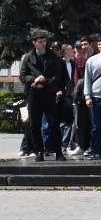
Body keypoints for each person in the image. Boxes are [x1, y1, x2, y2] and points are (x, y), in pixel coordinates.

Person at [20, 30, 65, 161]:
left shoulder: (52, 57)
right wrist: (34, 80)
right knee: (35, 124)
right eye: (40, 41)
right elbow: (23, 76)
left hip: (48, 93)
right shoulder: (28, 57)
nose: (43, 44)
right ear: (34, 43)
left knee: (54, 123)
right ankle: (38, 151)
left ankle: (58, 152)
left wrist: (44, 82)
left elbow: (57, 76)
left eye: (44, 41)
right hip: (33, 94)